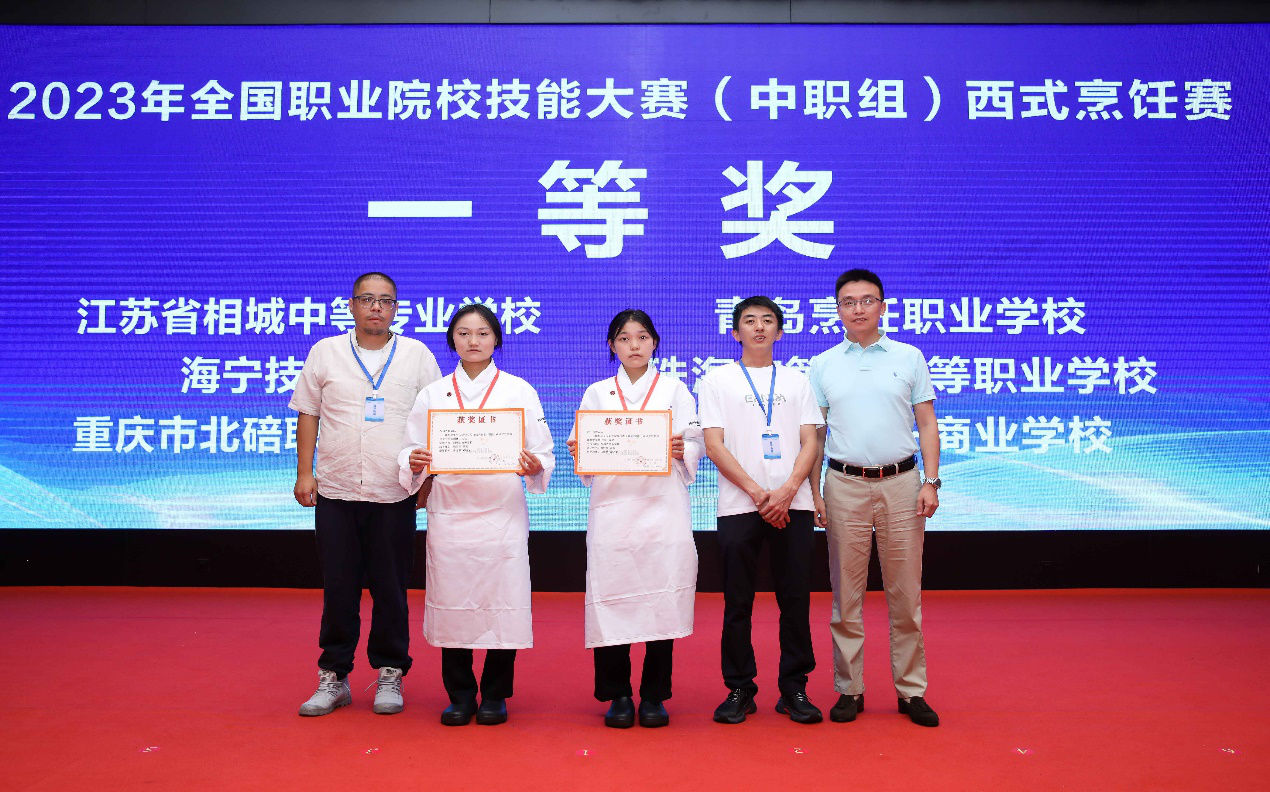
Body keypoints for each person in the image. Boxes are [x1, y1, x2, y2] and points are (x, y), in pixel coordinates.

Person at [290, 272, 442, 717]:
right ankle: (333, 676)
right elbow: (308, 413)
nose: (376, 307)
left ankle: (390, 672)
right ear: (352, 305)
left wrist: (428, 480)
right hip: (336, 489)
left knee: (391, 589)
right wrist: (304, 473)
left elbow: (436, 420)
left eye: (385, 301)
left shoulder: (416, 355)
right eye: (367, 299)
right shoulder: (325, 351)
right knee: (338, 588)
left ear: (396, 308)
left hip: (394, 491)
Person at [397, 303, 554, 726]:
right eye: (464, 333)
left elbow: (543, 450)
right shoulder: (433, 394)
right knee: (453, 601)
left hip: (502, 511)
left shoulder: (519, 390)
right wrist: (413, 460)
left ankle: (496, 694)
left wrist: (535, 465)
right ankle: (460, 694)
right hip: (451, 511)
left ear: (496, 340)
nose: (473, 341)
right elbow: (410, 447)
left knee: (503, 600)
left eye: (483, 333)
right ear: (452, 340)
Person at [809, 268, 942, 728]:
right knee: (846, 596)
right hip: (843, 484)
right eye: (848, 302)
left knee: (905, 594)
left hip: (902, 483)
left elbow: (927, 423)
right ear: (837, 310)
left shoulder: (909, 357)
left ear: (883, 306)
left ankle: (911, 690)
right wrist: (814, 492)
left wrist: (932, 481)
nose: (858, 309)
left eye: (867, 300)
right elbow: (816, 435)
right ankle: (850, 689)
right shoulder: (823, 364)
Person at [566, 310, 704, 729]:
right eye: (624, 338)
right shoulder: (597, 393)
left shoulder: (675, 389)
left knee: (662, 598)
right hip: (613, 510)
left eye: (642, 337)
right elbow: (581, 446)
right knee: (612, 600)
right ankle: (618, 694)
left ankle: (655, 695)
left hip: (663, 508)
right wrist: (580, 450)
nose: (634, 345)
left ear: (654, 342)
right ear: (612, 346)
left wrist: (684, 450)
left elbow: (695, 440)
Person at [697, 297, 826, 725]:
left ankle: (794, 688)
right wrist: (758, 493)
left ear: (779, 331)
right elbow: (713, 444)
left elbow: (811, 441)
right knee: (738, 601)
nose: (758, 327)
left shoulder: (797, 380)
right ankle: (740, 688)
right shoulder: (716, 381)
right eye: (749, 321)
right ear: (735, 332)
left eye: (767, 321)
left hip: (794, 504)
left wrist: (787, 490)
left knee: (796, 599)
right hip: (739, 505)